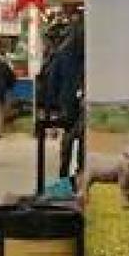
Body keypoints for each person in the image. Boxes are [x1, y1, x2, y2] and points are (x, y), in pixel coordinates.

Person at [45, 19, 85, 178]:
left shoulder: (62, 54)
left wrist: (51, 109)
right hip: (80, 104)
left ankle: (65, 177)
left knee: (68, 142)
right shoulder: (89, 54)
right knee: (82, 141)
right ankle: (80, 175)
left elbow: (52, 83)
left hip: (68, 104)